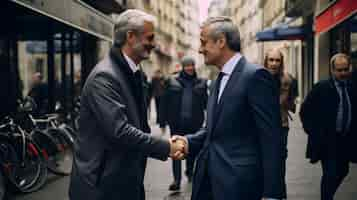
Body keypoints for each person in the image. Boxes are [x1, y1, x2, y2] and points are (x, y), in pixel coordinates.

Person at [68, 9, 184, 200]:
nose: (154, 44)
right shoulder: (104, 77)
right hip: (102, 188)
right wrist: (166, 147)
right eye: (150, 38)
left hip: (123, 182)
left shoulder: (133, 73)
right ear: (130, 36)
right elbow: (120, 131)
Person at [172, 16, 286, 200]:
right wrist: (187, 142)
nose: (200, 49)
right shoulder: (218, 80)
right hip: (209, 183)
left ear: (221, 41)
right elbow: (215, 130)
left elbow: (272, 139)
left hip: (240, 186)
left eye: (203, 42)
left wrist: (272, 193)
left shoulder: (256, 76)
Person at [300, 53, 357, 200]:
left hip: (346, 139)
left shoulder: (352, 87)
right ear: (332, 70)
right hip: (328, 141)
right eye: (339, 70)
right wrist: (313, 132)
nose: (343, 73)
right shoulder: (322, 87)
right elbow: (305, 111)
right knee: (330, 173)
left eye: (345, 69)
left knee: (343, 170)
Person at [161, 56, 208, 190]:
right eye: (187, 65)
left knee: (191, 149)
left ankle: (190, 171)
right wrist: (162, 121)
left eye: (191, 65)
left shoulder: (201, 83)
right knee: (175, 150)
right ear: (183, 67)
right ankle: (176, 180)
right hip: (176, 123)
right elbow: (164, 102)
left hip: (195, 123)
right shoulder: (172, 82)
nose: (189, 68)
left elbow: (207, 103)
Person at [263, 48, 298, 196]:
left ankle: (279, 194)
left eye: (277, 60)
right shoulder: (258, 78)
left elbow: (292, 103)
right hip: (262, 126)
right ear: (266, 62)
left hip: (281, 126)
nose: (274, 64)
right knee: (264, 162)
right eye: (271, 60)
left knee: (279, 161)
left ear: (281, 62)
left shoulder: (288, 80)